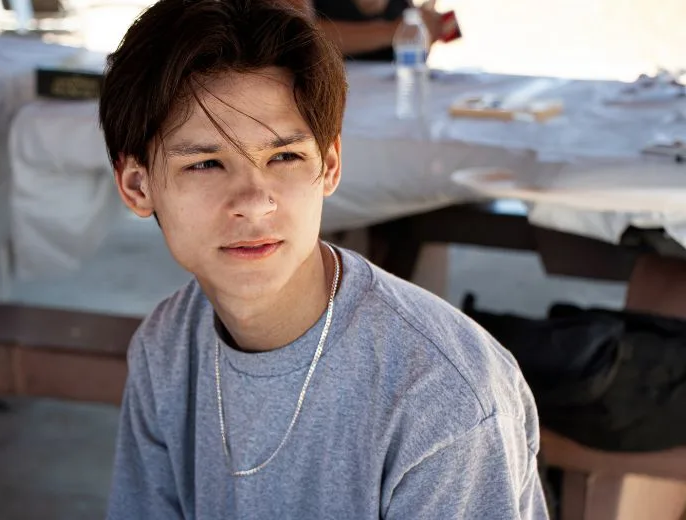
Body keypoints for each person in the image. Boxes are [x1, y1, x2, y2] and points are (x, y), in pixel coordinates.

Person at [99, 0, 547, 518]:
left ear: (329, 166)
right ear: (137, 186)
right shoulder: (167, 347)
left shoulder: (441, 395)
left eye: (284, 157)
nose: (254, 201)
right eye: (205, 163)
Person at [301, 0, 446, 61]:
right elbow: (303, 36)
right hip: (333, 99)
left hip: (391, 96)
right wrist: (394, 31)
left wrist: (430, 27)